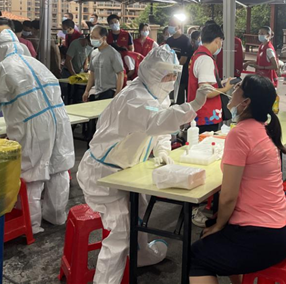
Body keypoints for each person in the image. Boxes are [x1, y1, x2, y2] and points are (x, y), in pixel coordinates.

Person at [77, 46, 214, 284]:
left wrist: (162, 151)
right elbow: (156, 120)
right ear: (152, 72)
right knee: (120, 232)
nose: (171, 80)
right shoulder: (134, 97)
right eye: (167, 74)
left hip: (127, 170)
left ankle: (141, 255)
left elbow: (159, 129)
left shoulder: (156, 95)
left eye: (174, 74)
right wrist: (193, 105)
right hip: (103, 174)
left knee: (138, 215)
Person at [190, 74, 286, 284]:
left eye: (238, 87)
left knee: (195, 257)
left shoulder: (240, 134)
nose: (233, 90)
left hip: (263, 236)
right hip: (283, 227)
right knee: (214, 230)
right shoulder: (264, 128)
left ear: (246, 102)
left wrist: (218, 226)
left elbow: (228, 196)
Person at [0, 28, 74, 234]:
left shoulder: (3, 69)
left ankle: (32, 225)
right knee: (58, 167)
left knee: (32, 174)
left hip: (34, 126)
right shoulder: (36, 63)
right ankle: (57, 216)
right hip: (60, 120)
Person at [188, 23, 233, 133]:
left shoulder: (198, 54)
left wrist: (221, 83)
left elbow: (205, 83)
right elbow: (206, 92)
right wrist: (225, 89)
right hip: (206, 116)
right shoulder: (206, 59)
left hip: (199, 113)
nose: (220, 46)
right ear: (217, 40)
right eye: (221, 42)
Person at [83, 26, 124, 102]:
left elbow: (120, 73)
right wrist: (87, 91)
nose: (92, 39)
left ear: (104, 38)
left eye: (95, 37)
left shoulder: (113, 53)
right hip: (97, 92)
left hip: (109, 91)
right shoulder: (93, 53)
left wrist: (117, 94)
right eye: (91, 37)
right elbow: (92, 73)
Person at [166, 18, 191, 104]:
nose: (170, 27)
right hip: (170, 75)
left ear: (178, 27)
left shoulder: (185, 40)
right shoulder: (169, 41)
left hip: (182, 76)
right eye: (169, 25)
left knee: (180, 100)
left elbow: (183, 60)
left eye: (172, 25)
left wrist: (174, 69)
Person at [64, 35, 93, 104]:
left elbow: (86, 55)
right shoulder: (75, 44)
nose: (91, 46)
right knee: (69, 94)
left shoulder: (90, 47)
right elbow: (68, 61)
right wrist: (74, 75)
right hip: (69, 71)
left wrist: (85, 64)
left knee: (78, 93)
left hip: (79, 72)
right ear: (87, 40)